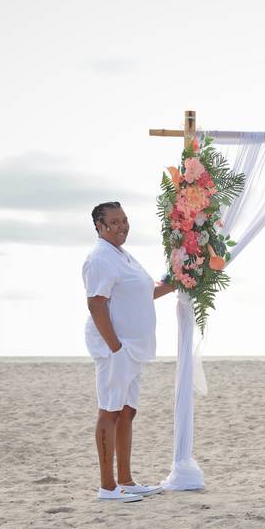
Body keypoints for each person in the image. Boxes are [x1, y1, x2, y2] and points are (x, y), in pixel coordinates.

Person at [83, 201, 174, 502]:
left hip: (134, 348)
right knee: (109, 410)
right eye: (114, 221)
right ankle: (107, 487)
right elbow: (96, 303)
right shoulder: (100, 258)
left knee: (127, 411)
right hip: (116, 348)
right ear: (99, 225)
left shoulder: (124, 256)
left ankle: (126, 480)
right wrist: (115, 347)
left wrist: (177, 281)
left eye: (124, 220)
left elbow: (145, 292)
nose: (121, 226)